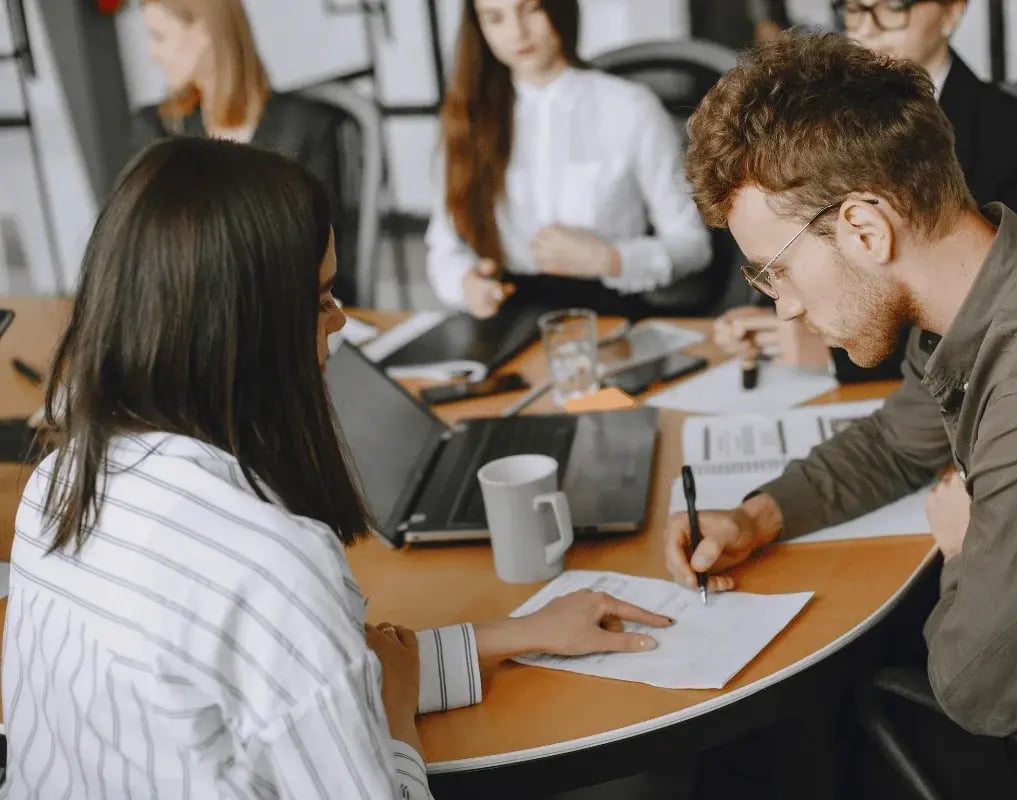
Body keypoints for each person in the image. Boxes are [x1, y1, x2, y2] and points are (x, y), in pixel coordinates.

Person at [0, 137, 672, 798]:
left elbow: (306, 684)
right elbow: (324, 680)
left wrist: (520, 634)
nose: (342, 319)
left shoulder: (61, 488)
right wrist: (399, 722)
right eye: (321, 298)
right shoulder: (268, 566)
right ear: (244, 326)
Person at [670, 33, 1017, 797]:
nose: (781, 304)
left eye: (777, 270)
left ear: (864, 227)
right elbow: (895, 442)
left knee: (775, 748)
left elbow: (978, 693)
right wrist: (757, 518)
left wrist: (967, 544)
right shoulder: (995, 272)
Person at [715, 0, 1017, 384]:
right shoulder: (821, 119)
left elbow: (1005, 299)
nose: (866, 28)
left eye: (893, 7)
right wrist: (775, 311)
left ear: (951, 12)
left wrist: (832, 355)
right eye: (852, 9)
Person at [427, 0, 712, 320]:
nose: (516, 32)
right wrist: (466, 285)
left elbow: (693, 245)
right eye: (495, 19)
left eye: (531, 10)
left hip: (607, 310)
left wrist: (613, 259)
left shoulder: (629, 108)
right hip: (508, 313)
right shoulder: (468, 118)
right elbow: (444, 247)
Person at [129, 0, 359, 303]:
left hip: (286, 316)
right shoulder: (157, 130)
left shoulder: (308, 129)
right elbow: (145, 253)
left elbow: (322, 254)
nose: (152, 54)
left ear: (205, 32)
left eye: (159, 36)